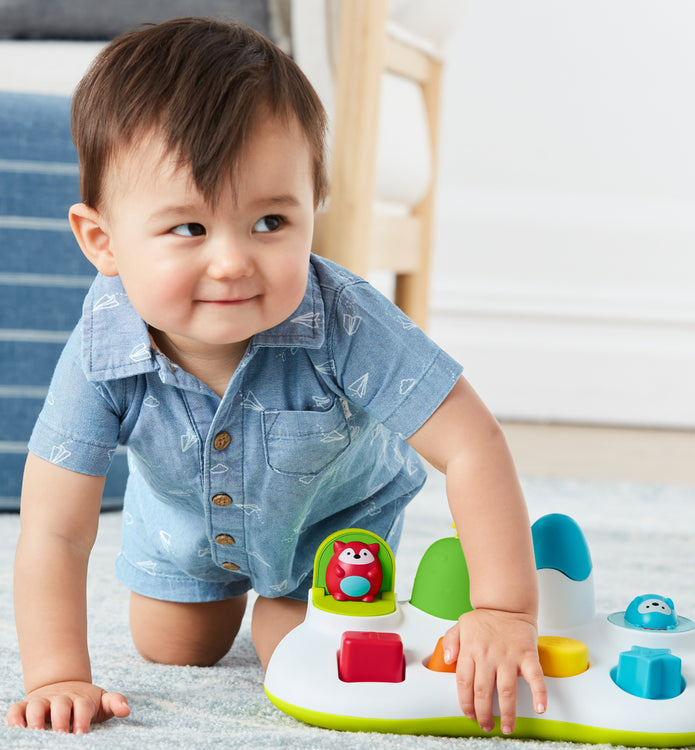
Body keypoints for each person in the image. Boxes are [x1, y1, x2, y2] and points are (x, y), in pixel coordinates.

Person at [6, 17, 547, 736]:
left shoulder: (347, 322)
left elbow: (471, 442)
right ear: (102, 241)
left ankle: (292, 602)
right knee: (172, 649)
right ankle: (210, 590)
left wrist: (504, 609)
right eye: (189, 229)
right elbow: (53, 528)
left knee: (295, 654)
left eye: (269, 222)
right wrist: (58, 674)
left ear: (311, 209)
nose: (232, 262)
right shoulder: (102, 348)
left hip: (329, 527)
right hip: (184, 528)